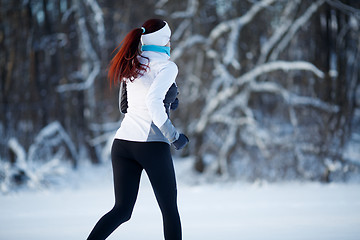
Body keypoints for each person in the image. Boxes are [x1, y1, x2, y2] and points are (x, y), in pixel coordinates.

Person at [86, 19, 188, 240]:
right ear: (163, 41)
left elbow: (125, 106)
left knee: (122, 210)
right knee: (169, 210)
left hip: (122, 144)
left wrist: (168, 103)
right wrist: (174, 135)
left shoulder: (132, 61)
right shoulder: (167, 66)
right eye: (169, 39)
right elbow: (152, 101)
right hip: (150, 146)